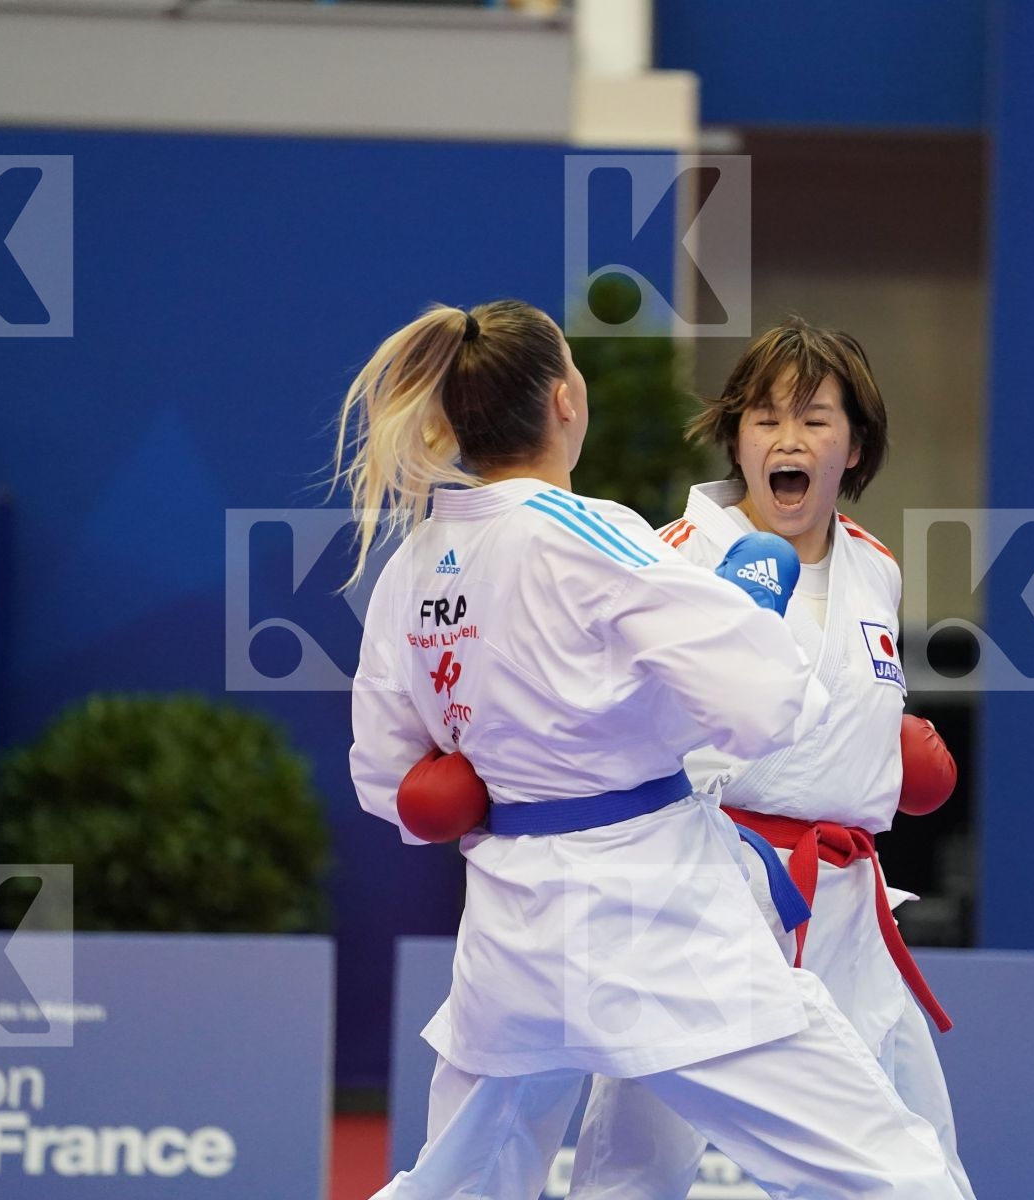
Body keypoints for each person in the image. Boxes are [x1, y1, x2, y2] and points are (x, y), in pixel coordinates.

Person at [339, 300, 965, 1199]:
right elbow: (765, 703)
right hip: (654, 918)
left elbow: (388, 778)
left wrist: (477, 776)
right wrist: (754, 614)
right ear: (565, 400)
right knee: (896, 1174)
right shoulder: (595, 532)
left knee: (459, 1184)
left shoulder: (413, 564)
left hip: (511, 930)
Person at [568, 318, 977, 1200]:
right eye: (764, 418)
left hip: (846, 901)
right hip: (704, 892)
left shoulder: (876, 568)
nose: (788, 439)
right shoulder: (671, 562)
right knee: (641, 1157)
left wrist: (881, 751)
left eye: (815, 419)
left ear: (854, 446)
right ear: (736, 439)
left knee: (917, 1153)